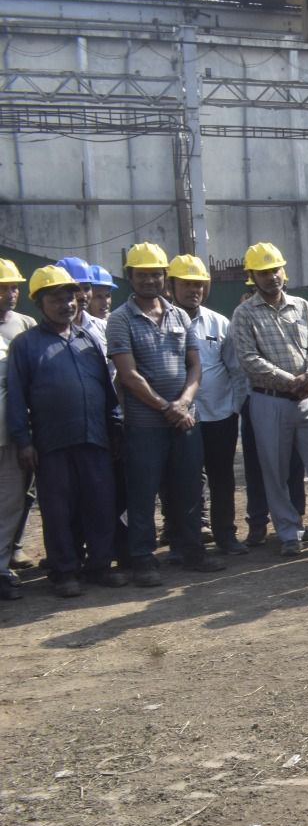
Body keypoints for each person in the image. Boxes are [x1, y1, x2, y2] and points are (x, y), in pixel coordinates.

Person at [105, 242, 223, 585]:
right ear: (130, 277)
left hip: (186, 420)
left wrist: (184, 403)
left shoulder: (179, 315)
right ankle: (143, 559)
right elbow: (128, 375)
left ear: (164, 277)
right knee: (142, 492)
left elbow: (195, 366)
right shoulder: (120, 320)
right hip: (144, 426)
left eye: (156, 274)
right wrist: (166, 407)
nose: (150, 281)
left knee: (188, 489)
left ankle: (192, 553)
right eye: (142, 275)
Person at [5, 265, 125, 597]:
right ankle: (64, 571)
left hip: (94, 437)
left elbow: (105, 388)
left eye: (70, 298)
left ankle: (99, 566)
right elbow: (17, 396)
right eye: (56, 299)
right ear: (39, 304)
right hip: (52, 442)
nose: (66, 305)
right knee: (59, 509)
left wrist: (115, 426)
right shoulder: (26, 345)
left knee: (100, 502)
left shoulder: (88, 339)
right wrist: (24, 441)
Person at [232, 242, 308, 555]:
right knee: (275, 470)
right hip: (269, 400)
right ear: (252, 276)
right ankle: (289, 533)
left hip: (307, 398)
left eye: (276, 269)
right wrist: (290, 381)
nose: (272, 277)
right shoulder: (244, 314)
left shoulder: (301, 306)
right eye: (264, 272)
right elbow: (248, 359)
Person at [167, 254, 249, 557]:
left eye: (199, 285)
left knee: (222, 478)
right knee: (183, 481)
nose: (194, 290)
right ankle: (184, 541)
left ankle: (225, 535)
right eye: (187, 284)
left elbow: (236, 370)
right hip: (181, 417)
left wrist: (236, 408)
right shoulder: (164, 322)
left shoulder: (219, 323)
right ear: (171, 285)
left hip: (220, 415)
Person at [0, 258, 38, 599]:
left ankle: (1, 568)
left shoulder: (26, 325)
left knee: (11, 501)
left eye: (13, 287)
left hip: (11, 433)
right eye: (3, 288)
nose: (10, 293)